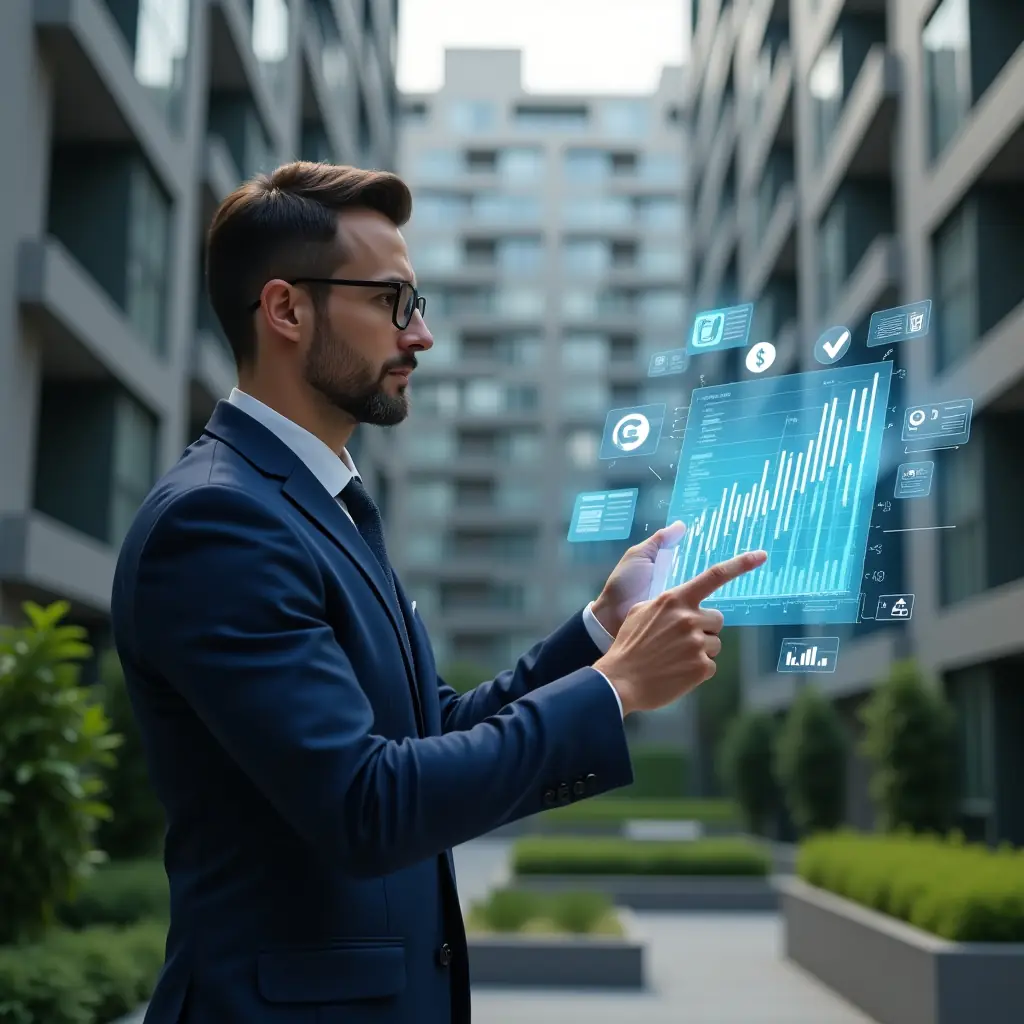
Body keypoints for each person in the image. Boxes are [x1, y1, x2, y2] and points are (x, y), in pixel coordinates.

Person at [110, 160, 766, 1024]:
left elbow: (431, 738)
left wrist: (599, 633)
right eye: (393, 302)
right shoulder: (216, 524)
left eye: (416, 306)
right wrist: (617, 688)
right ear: (286, 310)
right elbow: (366, 803)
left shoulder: (320, 506)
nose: (420, 337)